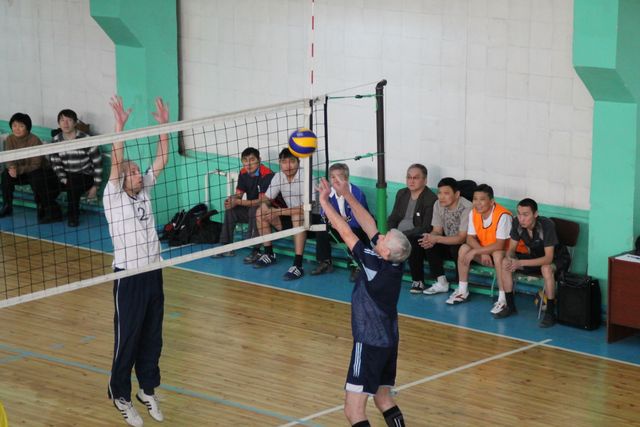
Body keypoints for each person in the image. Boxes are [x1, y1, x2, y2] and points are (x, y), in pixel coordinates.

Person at [317, 175, 411, 427]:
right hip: (388, 341)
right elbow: (370, 226)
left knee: (353, 410)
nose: (381, 236)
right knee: (383, 398)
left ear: (385, 251)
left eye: (384, 238)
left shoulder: (373, 264)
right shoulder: (394, 263)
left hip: (369, 342)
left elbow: (345, 232)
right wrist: (346, 194)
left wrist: (324, 203)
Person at [104, 96, 169, 427]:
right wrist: (119, 128)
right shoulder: (113, 197)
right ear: (121, 178)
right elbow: (116, 162)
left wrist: (164, 127)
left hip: (152, 272)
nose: (136, 174)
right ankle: (120, 395)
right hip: (128, 276)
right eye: (130, 172)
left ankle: (147, 389)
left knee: (152, 336)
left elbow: (162, 159)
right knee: (127, 337)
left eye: (136, 171)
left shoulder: (144, 191)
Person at [500, 198, 569, 327]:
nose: (521, 218)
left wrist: (520, 263)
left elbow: (548, 258)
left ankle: (550, 313)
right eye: (519, 214)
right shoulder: (517, 223)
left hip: (558, 259)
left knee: (546, 269)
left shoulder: (546, 225)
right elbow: (511, 250)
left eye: (526, 215)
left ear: (535, 214)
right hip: (535, 258)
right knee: (505, 262)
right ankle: (510, 306)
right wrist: (511, 259)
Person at [447, 184, 512, 317]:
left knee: (497, 254)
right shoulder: (474, 212)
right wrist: (482, 252)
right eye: (475, 199)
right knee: (464, 249)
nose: (477, 203)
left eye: (482, 199)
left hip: (505, 255)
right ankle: (462, 291)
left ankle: (503, 299)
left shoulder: (503, 215)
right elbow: (469, 238)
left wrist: (478, 251)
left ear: (491, 201)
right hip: (486, 253)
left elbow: (500, 245)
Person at [254, 148, 307, 280]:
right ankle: (269, 254)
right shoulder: (279, 176)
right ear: (279, 163)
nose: (288, 166)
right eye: (284, 162)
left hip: (311, 221)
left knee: (297, 215)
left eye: (292, 161)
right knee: (260, 212)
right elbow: (266, 198)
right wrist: (265, 206)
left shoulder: (306, 177)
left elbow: (305, 209)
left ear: (298, 162)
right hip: (291, 218)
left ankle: (298, 265)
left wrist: (278, 211)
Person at [212, 147, 274, 261]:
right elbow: (239, 195)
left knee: (256, 209)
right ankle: (226, 245)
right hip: (251, 209)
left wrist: (238, 201)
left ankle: (256, 250)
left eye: (252, 160)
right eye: (245, 160)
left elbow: (263, 201)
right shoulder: (243, 172)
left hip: (268, 212)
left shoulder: (267, 174)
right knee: (231, 210)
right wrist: (231, 200)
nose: (248, 164)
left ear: (259, 160)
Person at [311, 163, 370, 281]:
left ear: (346, 178)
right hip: (338, 227)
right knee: (321, 227)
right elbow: (324, 214)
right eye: (332, 177)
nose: (335, 180)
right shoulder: (329, 192)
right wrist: (336, 220)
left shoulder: (357, 193)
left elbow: (357, 220)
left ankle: (356, 265)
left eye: (339, 176)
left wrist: (338, 220)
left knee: (355, 231)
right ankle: (325, 261)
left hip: (356, 229)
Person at [0, 112, 61, 222]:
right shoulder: (10, 139)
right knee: (5, 175)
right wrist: (11, 168)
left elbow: (36, 164)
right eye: (14, 126)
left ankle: (41, 207)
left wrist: (18, 170)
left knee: (36, 177)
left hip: (38, 171)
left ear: (27, 128)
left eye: (21, 126)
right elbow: (9, 157)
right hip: (21, 172)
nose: (17, 129)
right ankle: (7, 206)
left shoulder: (34, 140)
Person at [387, 163, 437, 293]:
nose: (411, 181)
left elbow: (426, 227)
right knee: (380, 238)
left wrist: (403, 234)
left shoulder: (431, 198)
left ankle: (418, 280)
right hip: (398, 233)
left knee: (414, 242)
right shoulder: (402, 193)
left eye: (416, 178)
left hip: (415, 235)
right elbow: (393, 217)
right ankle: (386, 274)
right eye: (409, 177)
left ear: (425, 180)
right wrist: (391, 231)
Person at [49, 109, 103, 227]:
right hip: (65, 176)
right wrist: (64, 179)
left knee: (73, 184)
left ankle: (73, 217)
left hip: (84, 176)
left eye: (69, 120)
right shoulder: (55, 141)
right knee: (44, 181)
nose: (65, 123)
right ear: (59, 123)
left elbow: (98, 165)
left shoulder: (86, 139)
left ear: (75, 123)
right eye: (62, 120)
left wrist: (96, 186)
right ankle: (52, 213)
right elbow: (56, 164)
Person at [419, 177, 472, 295]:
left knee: (457, 247)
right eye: (439, 193)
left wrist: (437, 238)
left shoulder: (467, 207)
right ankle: (441, 282)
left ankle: (460, 286)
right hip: (448, 241)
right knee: (428, 242)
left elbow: (462, 238)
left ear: (457, 194)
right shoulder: (438, 204)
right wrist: (430, 238)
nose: (441, 197)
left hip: (466, 247)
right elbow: (437, 230)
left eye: (446, 193)